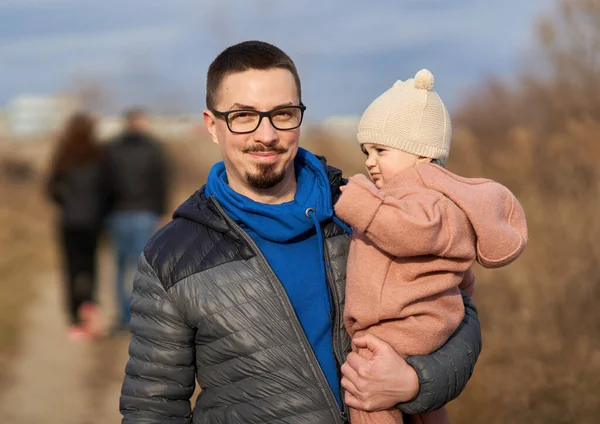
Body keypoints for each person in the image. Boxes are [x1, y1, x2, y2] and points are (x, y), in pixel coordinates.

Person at [120, 41, 483, 424]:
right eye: (243, 116)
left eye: (283, 113)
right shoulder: (171, 257)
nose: (266, 134)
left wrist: (416, 383)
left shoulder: (369, 212)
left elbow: (460, 317)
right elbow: (152, 408)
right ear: (213, 126)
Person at [334, 69, 528, 424]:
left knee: (365, 390)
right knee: (426, 407)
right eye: (366, 151)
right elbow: (457, 275)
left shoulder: (423, 198)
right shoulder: (430, 197)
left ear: (421, 154)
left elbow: (413, 231)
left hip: (402, 326)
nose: (369, 161)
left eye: (380, 150)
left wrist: (360, 202)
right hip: (425, 324)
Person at [101, 107, 169, 332]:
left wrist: (104, 214)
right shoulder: (153, 148)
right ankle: (143, 318)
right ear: (139, 122)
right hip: (143, 212)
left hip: (117, 213)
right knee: (143, 268)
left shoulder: (111, 148)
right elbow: (161, 182)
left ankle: (124, 317)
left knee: (121, 268)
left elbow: (104, 184)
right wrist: (160, 210)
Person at [46, 112, 104, 341]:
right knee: (90, 267)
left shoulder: (63, 156)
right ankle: (89, 308)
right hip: (93, 220)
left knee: (71, 269)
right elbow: (108, 187)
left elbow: (50, 188)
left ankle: (74, 321)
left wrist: (65, 203)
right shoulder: (99, 154)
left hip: (69, 221)